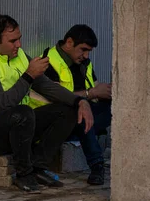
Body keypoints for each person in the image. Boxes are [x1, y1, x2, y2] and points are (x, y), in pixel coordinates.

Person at [0, 14, 94, 193]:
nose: (19, 45)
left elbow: (46, 86)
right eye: (13, 41)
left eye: (19, 39)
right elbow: (3, 104)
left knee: (67, 110)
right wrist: (29, 75)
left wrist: (80, 101)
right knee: (22, 113)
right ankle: (24, 173)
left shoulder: (18, 55)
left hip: (14, 128)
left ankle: (37, 167)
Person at [42, 25, 112, 185]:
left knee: (116, 107)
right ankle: (97, 165)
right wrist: (91, 93)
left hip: (81, 116)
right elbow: (55, 97)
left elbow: (93, 87)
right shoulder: (48, 61)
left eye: (89, 52)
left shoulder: (83, 62)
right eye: (83, 50)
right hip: (56, 121)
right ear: (69, 42)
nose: (86, 55)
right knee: (78, 113)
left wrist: (107, 91)